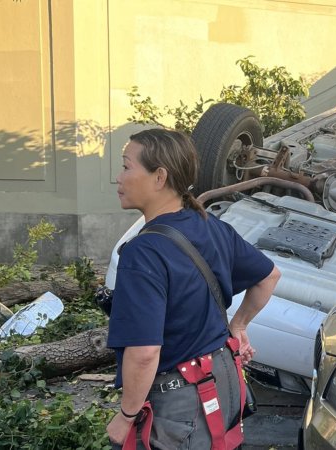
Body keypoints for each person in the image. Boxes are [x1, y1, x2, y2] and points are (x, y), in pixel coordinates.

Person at [106, 128, 281, 449]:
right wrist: (238, 325)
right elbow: (269, 276)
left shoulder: (143, 253)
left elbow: (144, 353)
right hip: (224, 381)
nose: (118, 177)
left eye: (126, 166)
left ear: (159, 177)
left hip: (180, 405)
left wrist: (126, 415)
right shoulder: (211, 226)